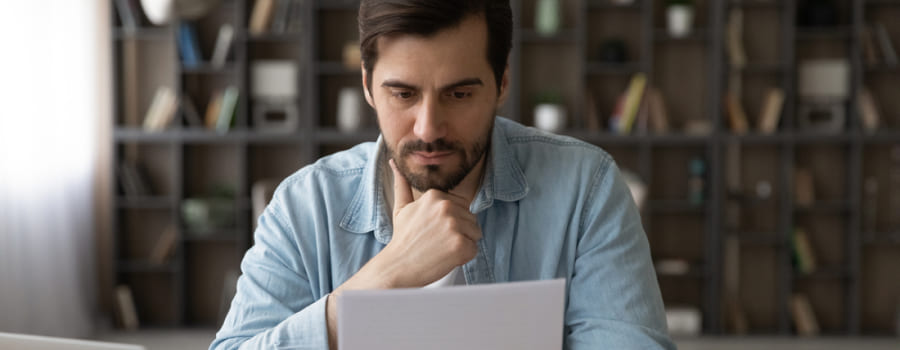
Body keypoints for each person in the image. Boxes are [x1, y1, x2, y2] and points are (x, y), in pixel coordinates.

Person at [211, 0, 674, 349]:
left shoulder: (585, 188)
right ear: (368, 85)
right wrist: (385, 278)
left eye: (458, 95)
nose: (428, 128)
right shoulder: (303, 204)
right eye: (403, 94)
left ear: (502, 83)